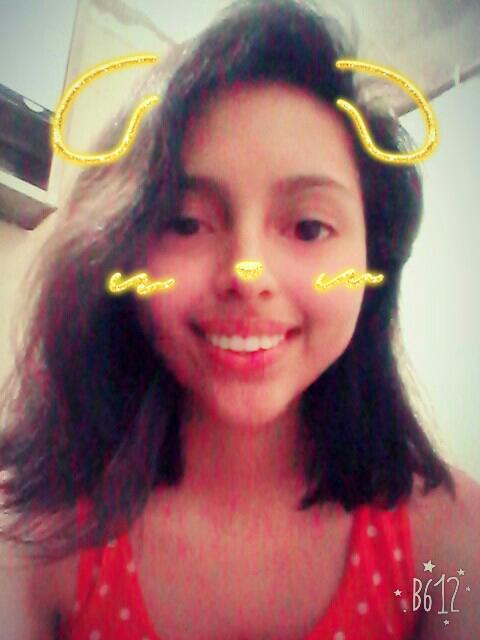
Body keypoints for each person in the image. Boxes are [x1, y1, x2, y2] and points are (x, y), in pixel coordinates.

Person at [0, 0, 478, 638]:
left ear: (374, 261)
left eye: (309, 226)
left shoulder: (449, 539)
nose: (247, 274)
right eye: (186, 223)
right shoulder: (38, 536)